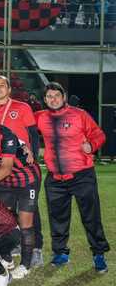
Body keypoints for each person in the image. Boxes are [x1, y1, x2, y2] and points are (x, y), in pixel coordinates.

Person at [35, 82, 110, 272]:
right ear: (45, 100)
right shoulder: (41, 117)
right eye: (49, 97)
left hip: (82, 175)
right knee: (57, 219)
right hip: (55, 179)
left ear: (64, 97)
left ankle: (98, 254)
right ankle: (60, 253)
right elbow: (22, 126)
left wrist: (91, 146)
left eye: (56, 96)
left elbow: (99, 134)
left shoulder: (79, 115)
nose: (53, 99)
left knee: (91, 217)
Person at [0, 106, 42, 278]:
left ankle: (25, 265)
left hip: (28, 180)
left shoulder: (7, 136)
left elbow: (5, 169)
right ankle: (6, 256)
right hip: (7, 182)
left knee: (25, 223)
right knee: (1, 221)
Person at [0, 75, 43, 265]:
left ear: (9, 89)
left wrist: (33, 157)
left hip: (23, 168)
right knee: (6, 212)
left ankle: (37, 249)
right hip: (2, 169)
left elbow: (33, 135)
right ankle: (16, 243)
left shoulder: (22, 107)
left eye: (2, 85)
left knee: (30, 210)